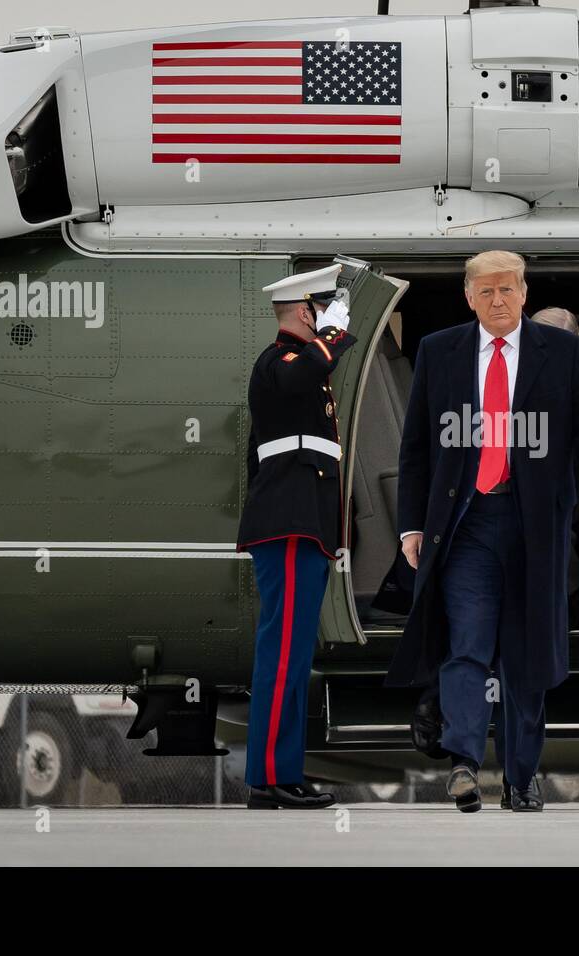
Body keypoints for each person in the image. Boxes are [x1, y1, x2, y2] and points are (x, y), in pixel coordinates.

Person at [387, 250, 579, 812]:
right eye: (486, 291)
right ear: (469, 297)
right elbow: (416, 445)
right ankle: (464, 763)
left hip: (534, 523)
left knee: (526, 654)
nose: (498, 300)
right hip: (465, 525)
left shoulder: (561, 350)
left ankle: (520, 778)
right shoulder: (439, 351)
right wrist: (411, 524)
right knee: (464, 643)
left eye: (507, 290)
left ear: (524, 293)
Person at [237, 264, 355, 810]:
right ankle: (270, 776)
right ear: (307, 311)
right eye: (321, 312)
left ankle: (280, 772)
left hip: (301, 526)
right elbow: (300, 374)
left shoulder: (301, 368)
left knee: (292, 652)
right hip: (287, 527)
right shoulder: (280, 362)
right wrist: (331, 335)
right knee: (281, 653)